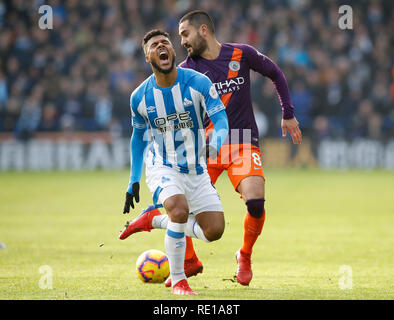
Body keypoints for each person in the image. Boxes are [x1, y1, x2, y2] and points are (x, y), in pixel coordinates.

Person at [120, 29, 229, 296]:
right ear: (148, 57)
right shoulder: (140, 97)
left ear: (173, 50)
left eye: (165, 43)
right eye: (154, 45)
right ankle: (179, 280)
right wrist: (134, 179)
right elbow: (138, 138)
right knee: (178, 210)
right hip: (163, 166)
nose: (161, 47)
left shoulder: (198, 82)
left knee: (213, 231)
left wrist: (214, 144)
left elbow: (223, 121)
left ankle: (154, 219)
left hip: (196, 169)